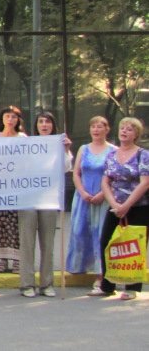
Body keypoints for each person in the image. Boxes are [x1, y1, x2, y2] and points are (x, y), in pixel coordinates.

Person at [92, 117, 149, 300]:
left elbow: (145, 183)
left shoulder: (142, 155)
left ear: (136, 135)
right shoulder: (111, 155)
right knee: (106, 242)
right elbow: (105, 181)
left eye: (129, 129)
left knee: (134, 246)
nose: (124, 131)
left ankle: (132, 288)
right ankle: (107, 285)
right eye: (122, 128)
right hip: (115, 206)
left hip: (138, 207)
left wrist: (126, 205)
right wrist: (115, 204)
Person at [18, 111, 72, 298]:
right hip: (28, 198)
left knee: (48, 244)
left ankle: (47, 284)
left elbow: (66, 168)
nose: (44, 125)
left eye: (47, 122)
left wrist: (66, 150)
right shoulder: (27, 144)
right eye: (41, 122)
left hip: (49, 198)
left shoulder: (58, 144)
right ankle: (27, 284)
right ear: (36, 126)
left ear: (53, 125)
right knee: (27, 243)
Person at [67, 116, 114, 293]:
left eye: (100, 126)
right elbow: (76, 173)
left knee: (100, 235)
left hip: (103, 198)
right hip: (83, 197)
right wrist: (83, 192)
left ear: (107, 129)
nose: (96, 129)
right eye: (93, 126)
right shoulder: (83, 149)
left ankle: (100, 275)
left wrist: (103, 194)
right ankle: (79, 266)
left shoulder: (113, 151)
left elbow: (115, 176)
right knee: (79, 231)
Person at [0, 105, 25, 273]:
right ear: (2, 119)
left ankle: (18, 259)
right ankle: (2, 259)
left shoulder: (23, 138)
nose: (10, 120)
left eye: (13, 117)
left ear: (18, 120)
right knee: (0, 223)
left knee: (17, 224)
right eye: (7, 116)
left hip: (17, 187)